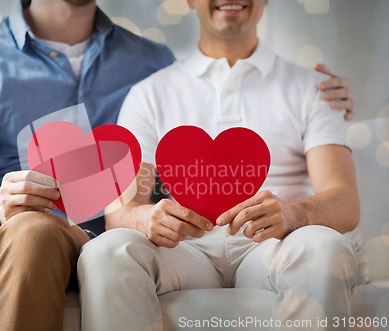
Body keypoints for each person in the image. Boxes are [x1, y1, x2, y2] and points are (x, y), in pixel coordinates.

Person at [0, 0, 354, 330]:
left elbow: (193, 120)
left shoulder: (149, 64)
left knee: (32, 229)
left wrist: (324, 93)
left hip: (64, 234)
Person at [78, 1, 360, 330]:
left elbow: (345, 201)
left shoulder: (316, 89)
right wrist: (146, 217)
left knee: (325, 247)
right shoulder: (149, 94)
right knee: (105, 252)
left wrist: (294, 213)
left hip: (276, 247)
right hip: (184, 252)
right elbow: (122, 211)